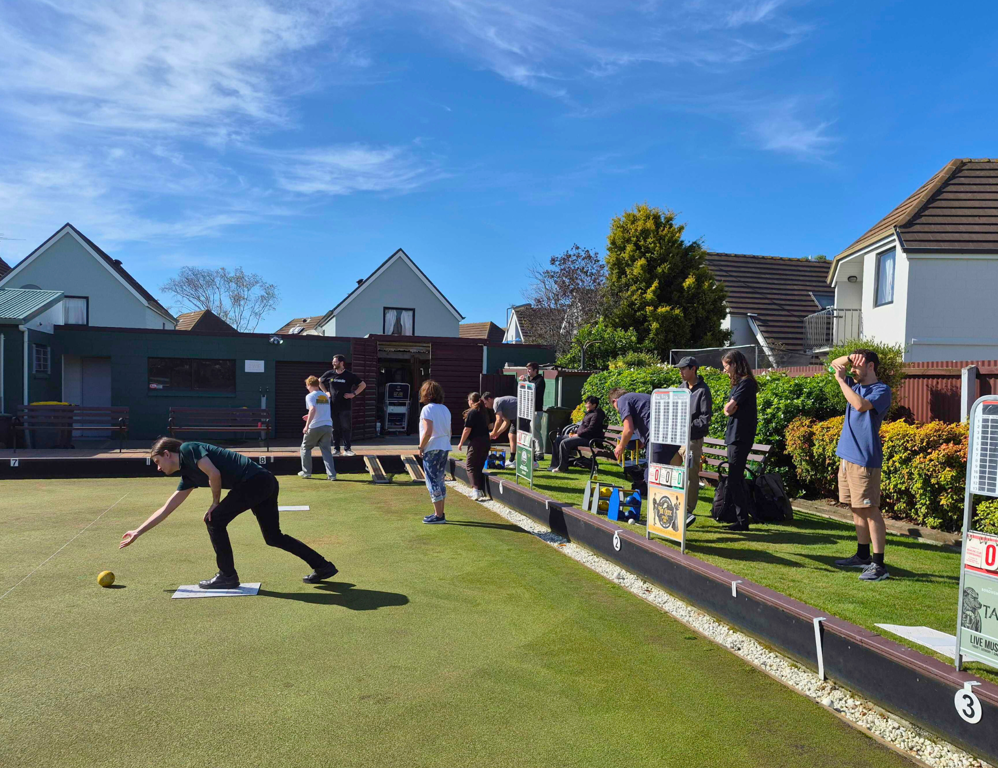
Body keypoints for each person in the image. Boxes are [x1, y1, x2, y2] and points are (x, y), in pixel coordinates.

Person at [119, 438, 337, 589]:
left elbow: (214, 473)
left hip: (256, 482)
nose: (157, 468)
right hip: (265, 481)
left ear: (167, 454)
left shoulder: (188, 449)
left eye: (158, 462)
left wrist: (215, 503)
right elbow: (167, 508)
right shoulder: (188, 476)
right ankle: (323, 566)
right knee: (273, 537)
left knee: (214, 519)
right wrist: (138, 532)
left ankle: (227, 576)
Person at [831, 350, 892, 582]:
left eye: (859, 366)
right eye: (853, 366)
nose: (853, 370)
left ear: (871, 367)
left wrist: (841, 379)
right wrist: (849, 358)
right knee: (856, 508)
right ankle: (863, 556)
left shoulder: (881, 390)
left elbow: (859, 406)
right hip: (846, 456)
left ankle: (879, 565)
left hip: (864, 460)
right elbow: (834, 365)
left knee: (869, 508)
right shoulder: (854, 384)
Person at [609, 388, 691, 527]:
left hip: (658, 438)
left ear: (614, 401)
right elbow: (648, 417)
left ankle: (682, 515)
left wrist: (620, 446)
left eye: (615, 408)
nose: (618, 411)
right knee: (663, 477)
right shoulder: (640, 397)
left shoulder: (623, 400)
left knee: (652, 477)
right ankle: (666, 518)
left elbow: (628, 429)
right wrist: (642, 441)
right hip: (673, 437)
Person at [720, 349, 758, 532]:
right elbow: (728, 409)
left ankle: (743, 520)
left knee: (735, 478)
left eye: (726, 366)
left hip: (740, 436)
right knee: (734, 478)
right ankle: (736, 516)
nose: (725, 370)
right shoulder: (737, 385)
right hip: (733, 436)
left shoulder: (746, 383)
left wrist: (729, 409)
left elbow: (729, 408)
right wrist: (729, 409)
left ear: (735, 364)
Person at [677, 356, 712, 518]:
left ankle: (687, 510)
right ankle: (674, 504)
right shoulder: (680, 387)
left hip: (692, 440)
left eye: (684, 368)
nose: (681, 372)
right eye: (680, 369)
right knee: (674, 473)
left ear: (693, 369)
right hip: (675, 439)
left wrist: (686, 427)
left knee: (690, 476)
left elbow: (704, 420)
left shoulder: (703, 390)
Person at [417, 380, 452, 524]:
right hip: (444, 446)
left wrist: (421, 447)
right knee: (440, 479)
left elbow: (428, 431)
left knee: (432, 481)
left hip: (432, 447)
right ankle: (440, 513)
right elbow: (449, 430)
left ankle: (438, 516)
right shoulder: (445, 409)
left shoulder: (427, 409)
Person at [319, 354, 366, 456]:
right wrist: (326, 392)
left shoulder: (349, 375)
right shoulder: (329, 373)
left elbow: (363, 385)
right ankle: (336, 449)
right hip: (333, 406)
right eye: (333, 361)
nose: (333, 363)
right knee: (335, 428)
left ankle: (347, 449)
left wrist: (353, 394)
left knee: (346, 428)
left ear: (341, 363)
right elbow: (320, 381)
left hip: (345, 407)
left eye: (335, 361)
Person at [549, 396, 605, 473]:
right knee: (559, 439)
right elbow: (583, 426)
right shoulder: (590, 413)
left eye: (587, 403)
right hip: (581, 436)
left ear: (594, 405)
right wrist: (574, 433)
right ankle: (554, 465)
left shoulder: (597, 415)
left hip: (588, 439)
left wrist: (578, 434)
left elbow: (590, 429)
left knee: (565, 443)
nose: (585, 405)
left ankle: (562, 468)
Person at [299, 376, 336, 481]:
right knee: (326, 450)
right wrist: (309, 415)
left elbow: (313, 409)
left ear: (309, 385)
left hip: (315, 426)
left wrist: (306, 425)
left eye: (307, 386)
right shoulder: (325, 396)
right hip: (328, 426)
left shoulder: (309, 396)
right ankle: (332, 474)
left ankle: (306, 472)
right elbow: (320, 410)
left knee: (305, 447)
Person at [456, 391, 491, 501]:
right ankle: (479, 490)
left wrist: (461, 442)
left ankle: (475, 490)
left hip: (476, 442)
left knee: (470, 466)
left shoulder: (472, 412)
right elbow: (491, 426)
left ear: (471, 401)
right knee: (479, 466)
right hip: (486, 441)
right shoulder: (484, 411)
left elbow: (467, 429)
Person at [521, 362, 546, 462]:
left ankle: (540, 453)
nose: (528, 371)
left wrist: (526, 382)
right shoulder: (531, 380)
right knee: (530, 432)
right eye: (527, 369)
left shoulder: (540, 380)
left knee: (535, 431)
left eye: (530, 369)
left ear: (536, 370)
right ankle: (533, 451)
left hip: (536, 410)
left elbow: (533, 391)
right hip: (528, 410)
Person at [485, 393, 519, 465]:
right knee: (511, 435)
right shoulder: (500, 404)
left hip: (522, 415)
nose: (486, 406)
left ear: (489, 399)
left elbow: (498, 420)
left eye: (486, 403)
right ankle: (512, 460)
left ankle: (533, 460)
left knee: (520, 438)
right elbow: (506, 422)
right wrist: (497, 433)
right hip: (516, 417)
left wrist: (493, 432)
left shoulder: (496, 403)